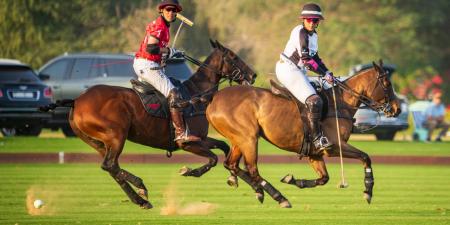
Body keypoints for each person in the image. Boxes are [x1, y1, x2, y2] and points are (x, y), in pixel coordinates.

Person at [133, 0, 200, 145]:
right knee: (174, 93)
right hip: (146, 63)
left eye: (174, 10)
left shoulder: (164, 26)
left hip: (148, 63)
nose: (171, 12)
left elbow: (157, 50)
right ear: (162, 10)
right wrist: (169, 51)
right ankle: (181, 133)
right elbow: (151, 48)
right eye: (168, 9)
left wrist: (167, 56)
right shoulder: (159, 25)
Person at [275, 3, 335, 151]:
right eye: (309, 20)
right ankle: (317, 139)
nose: (312, 23)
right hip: (288, 69)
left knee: (322, 91)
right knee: (314, 101)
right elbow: (308, 61)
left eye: (315, 20)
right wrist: (323, 74)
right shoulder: (300, 33)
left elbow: (316, 58)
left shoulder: (314, 35)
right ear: (304, 19)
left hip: (298, 71)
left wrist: (327, 72)